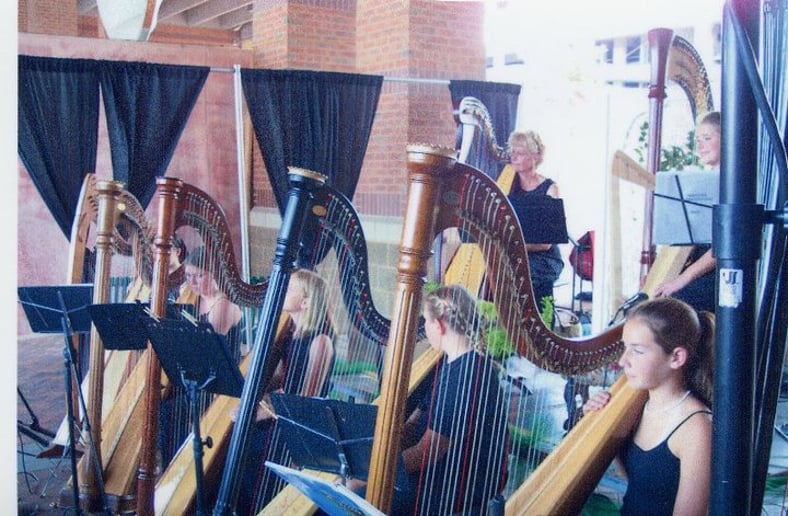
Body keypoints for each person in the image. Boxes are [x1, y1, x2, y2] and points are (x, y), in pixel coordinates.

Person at [582, 297, 714, 516]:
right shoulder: (638, 407)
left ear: (676, 358)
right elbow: (641, 481)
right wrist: (601, 426)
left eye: (638, 350)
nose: (623, 361)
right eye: (625, 347)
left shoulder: (696, 428)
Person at [392, 284, 509, 515]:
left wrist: (378, 470)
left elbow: (427, 452)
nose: (424, 328)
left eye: (426, 321)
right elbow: (416, 420)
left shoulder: (470, 372)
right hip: (437, 472)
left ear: (439, 325)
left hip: (452, 485)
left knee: (359, 497)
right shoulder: (449, 364)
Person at [233, 268, 335, 515]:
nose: (282, 292)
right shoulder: (290, 333)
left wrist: (259, 412)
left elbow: (303, 401)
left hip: (299, 426)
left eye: (289, 289)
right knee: (237, 441)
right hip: (281, 415)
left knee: (248, 447)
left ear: (306, 301)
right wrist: (252, 397)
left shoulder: (321, 341)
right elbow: (283, 379)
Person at [157, 245, 244, 468]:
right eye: (188, 276)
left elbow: (205, 354)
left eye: (199, 275)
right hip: (197, 376)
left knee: (167, 413)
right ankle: (172, 465)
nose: (193, 282)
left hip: (216, 383)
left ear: (215, 273)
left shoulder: (222, 305)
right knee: (158, 401)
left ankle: (176, 467)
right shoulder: (193, 300)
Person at [652, 111, 721, 313]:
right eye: (698, 139)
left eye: (707, 138)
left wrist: (680, 280)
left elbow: (721, 247)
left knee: (672, 304)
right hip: (703, 266)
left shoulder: (734, 184)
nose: (700, 146)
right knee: (657, 295)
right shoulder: (701, 183)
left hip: (722, 269)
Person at [507, 130, 565, 314]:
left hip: (542, 259)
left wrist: (511, 245)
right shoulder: (506, 185)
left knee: (519, 273)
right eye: (512, 152)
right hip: (513, 254)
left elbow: (545, 243)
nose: (513, 157)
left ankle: (540, 330)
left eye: (520, 153)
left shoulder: (550, 188)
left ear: (535, 157)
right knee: (494, 271)